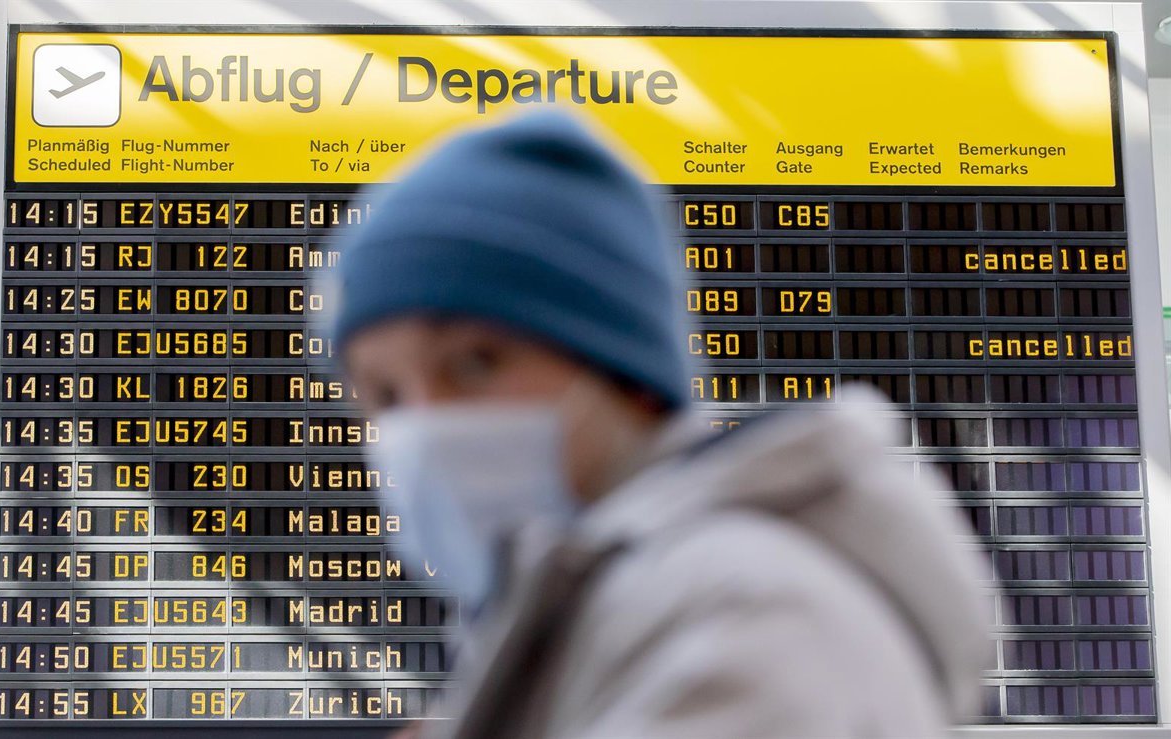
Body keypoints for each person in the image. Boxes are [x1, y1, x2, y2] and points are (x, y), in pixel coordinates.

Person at [331, 112, 993, 738]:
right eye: (385, 394)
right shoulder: (630, 608)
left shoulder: (735, 607)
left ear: (627, 376)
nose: (427, 421)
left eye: (476, 362)